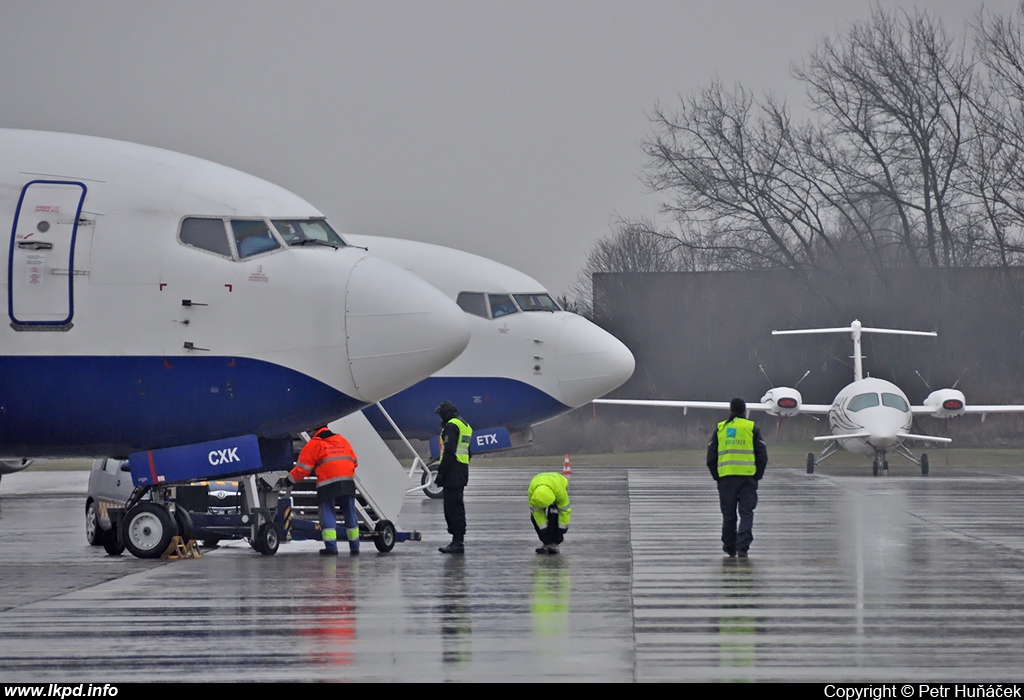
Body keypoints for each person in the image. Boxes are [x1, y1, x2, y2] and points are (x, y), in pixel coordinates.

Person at [279, 425, 360, 556]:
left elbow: (302, 470)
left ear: (313, 430)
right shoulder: (343, 441)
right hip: (347, 482)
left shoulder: (315, 444)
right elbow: (355, 462)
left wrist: (287, 481)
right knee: (350, 513)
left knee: (327, 514)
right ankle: (355, 547)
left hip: (327, 484)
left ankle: (331, 548)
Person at [706, 398, 767, 558]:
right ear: (744, 410)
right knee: (746, 512)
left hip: (726, 478)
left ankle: (729, 546)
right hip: (747, 478)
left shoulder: (720, 428)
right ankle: (743, 547)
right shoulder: (752, 427)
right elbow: (762, 455)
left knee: (729, 515)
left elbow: (710, 457)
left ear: (731, 410)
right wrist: (757, 475)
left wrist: (717, 476)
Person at [434, 400, 471, 554]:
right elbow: (468, 451)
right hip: (461, 470)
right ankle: (458, 540)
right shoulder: (465, 425)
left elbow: (449, 451)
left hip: (452, 472)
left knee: (452, 508)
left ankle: (457, 542)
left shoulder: (451, 426)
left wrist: (441, 472)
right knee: (457, 506)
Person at [528, 472, 571, 554]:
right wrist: (543, 531)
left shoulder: (560, 492)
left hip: (557, 484)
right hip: (541, 486)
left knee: (554, 514)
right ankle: (546, 542)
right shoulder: (532, 491)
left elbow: (565, 510)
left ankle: (554, 543)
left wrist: (561, 529)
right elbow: (536, 512)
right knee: (534, 517)